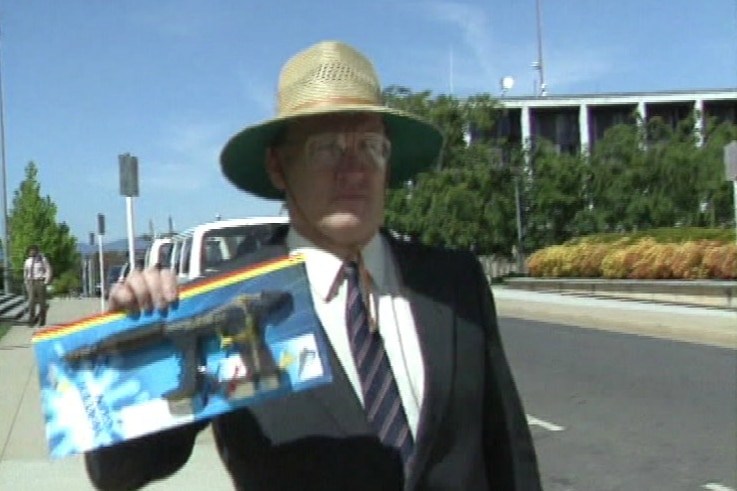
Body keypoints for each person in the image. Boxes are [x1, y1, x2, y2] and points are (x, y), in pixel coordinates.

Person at [84, 40, 541, 490]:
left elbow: (509, 453)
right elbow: (118, 472)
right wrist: (137, 351)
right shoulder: (231, 307)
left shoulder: (451, 282)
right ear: (278, 167)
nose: (353, 168)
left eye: (370, 146)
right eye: (326, 148)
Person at [23, 244, 52, 326]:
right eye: (30, 251)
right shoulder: (27, 261)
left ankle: (42, 320)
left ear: (37, 251)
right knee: (31, 302)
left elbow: (48, 270)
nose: (31, 252)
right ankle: (31, 321)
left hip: (40, 282)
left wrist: (46, 281)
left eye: (33, 251)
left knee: (42, 302)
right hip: (31, 282)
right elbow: (25, 272)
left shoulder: (43, 260)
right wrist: (26, 282)